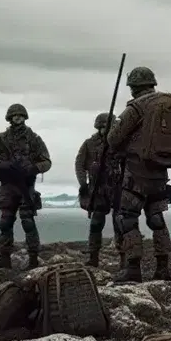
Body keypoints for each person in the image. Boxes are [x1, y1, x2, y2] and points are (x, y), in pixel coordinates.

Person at [106, 66, 171, 282]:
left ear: (133, 87)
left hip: (136, 172)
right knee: (156, 218)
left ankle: (133, 269)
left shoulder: (136, 107)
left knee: (128, 218)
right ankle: (163, 268)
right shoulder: (166, 104)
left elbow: (114, 139)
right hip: (159, 173)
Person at [0, 103, 52, 269]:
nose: (17, 117)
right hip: (7, 186)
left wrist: (34, 168)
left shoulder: (34, 139)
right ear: (10, 118)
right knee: (5, 222)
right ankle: (4, 258)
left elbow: (47, 162)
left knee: (28, 222)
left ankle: (33, 259)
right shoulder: (0, 140)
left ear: (24, 117)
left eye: (20, 115)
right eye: (14, 115)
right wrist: (0, 164)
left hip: (26, 186)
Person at [75, 112, 119, 268]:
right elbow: (79, 164)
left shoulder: (120, 143)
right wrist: (83, 184)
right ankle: (93, 257)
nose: (106, 130)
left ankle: (124, 258)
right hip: (98, 189)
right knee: (96, 223)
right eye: (103, 127)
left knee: (120, 224)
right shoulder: (89, 144)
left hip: (116, 188)